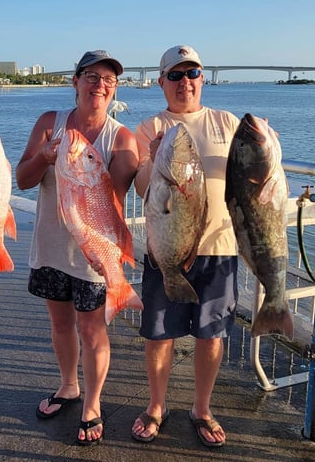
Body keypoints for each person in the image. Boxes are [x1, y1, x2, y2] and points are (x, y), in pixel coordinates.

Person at [16, 50, 138, 446]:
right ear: (75, 82)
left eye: (108, 79)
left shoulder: (120, 138)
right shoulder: (50, 123)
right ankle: (68, 386)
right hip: (51, 246)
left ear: (115, 88)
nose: (99, 85)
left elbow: (115, 198)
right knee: (60, 324)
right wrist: (46, 157)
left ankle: (93, 403)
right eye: (91, 76)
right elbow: (22, 179)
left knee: (92, 329)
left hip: (92, 251)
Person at [130, 45, 240, 447]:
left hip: (219, 247)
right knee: (159, 334)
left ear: (202, 78)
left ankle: (202, 408)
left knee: (212, 335)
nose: (184, 82)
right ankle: (156, 405)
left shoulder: (227, 122)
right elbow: (143, 190)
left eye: (191, 73)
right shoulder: (148, 129)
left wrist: (267, 145)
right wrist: (153, 161)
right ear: (161, 82)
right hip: (166, 249)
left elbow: (252, 173)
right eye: (174, 75)